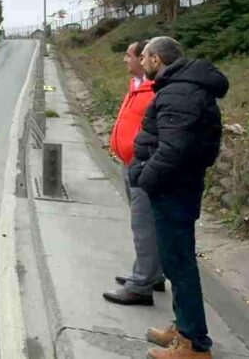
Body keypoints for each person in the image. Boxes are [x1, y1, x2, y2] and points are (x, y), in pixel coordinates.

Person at [130, 36, 229, 359]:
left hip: (173, 189)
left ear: (157, 59)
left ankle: (193, 343)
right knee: (175, 262)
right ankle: (183, 326)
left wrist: (144, 177)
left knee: (179, 263)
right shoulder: (183, 87)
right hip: (177, 186)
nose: (141, 63)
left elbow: (172, 148)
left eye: (144, 57)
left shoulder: (178, 92)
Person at [103, 39, 165, 306]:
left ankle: (141, 284)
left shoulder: (157, 90)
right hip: (130, 163)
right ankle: (152, 272)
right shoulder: (139, 86)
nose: (125, 60)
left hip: (144, 166)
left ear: (145, 59)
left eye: (129, 55)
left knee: (144, 225)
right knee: (145, 223)